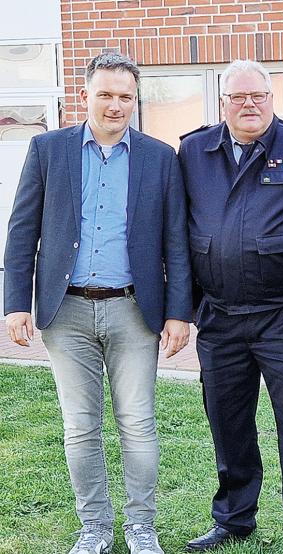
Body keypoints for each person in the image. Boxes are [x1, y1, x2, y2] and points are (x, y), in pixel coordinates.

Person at [3, 52, 192, 554]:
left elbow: (176, 240)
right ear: (84, 94)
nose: (115, 105)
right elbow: (23, 229)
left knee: (138, 424)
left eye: (125, 96)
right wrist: (15, 302)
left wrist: (178, 312)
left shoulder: (159, 157)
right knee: (80, 427)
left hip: (135, 311)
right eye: (105, 94)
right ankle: (94, 529)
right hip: (65, 313)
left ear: (136, 99)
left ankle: (141, 528)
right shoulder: (48, 149)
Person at [178, 59, 283, 554]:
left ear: (272, 99)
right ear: (221, 102)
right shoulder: (192, 151)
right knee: (227, 421)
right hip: (221, 316)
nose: (249, 104)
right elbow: (178, 234)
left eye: (259, 96)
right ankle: (233, 517)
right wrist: (183, 309)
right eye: (237, 97)